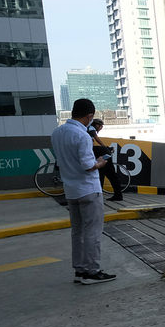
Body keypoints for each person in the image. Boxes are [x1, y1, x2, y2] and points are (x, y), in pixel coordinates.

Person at [49, 98, 117, 284]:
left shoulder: (57, 133)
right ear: (89, 116)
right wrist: (102, 161)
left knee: (77, 232)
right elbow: (89, 166)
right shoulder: (82, 136)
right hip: (88, 190)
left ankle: (80, 270)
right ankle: (92, 271)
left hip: (70, 190)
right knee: (93, 232)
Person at [87, 118, 124, 201]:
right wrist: (105, 148)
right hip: (103, 152)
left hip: (100, 152)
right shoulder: (91, 128)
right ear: (97, 125)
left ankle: (98, 196)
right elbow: (97, 139)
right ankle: (118, 195)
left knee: (101, 174)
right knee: (111, 175)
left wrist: (105, 148)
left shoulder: (88, 128)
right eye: (101, 126)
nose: (101, 128)